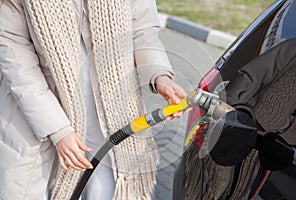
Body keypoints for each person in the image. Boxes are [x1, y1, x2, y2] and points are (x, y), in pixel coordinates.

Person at [0, 0, 187, 199]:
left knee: (110, 191)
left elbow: (142, 31)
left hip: (110, 116)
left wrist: (159, 75)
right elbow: (19, 66)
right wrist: (58, 130)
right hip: (35, 119)